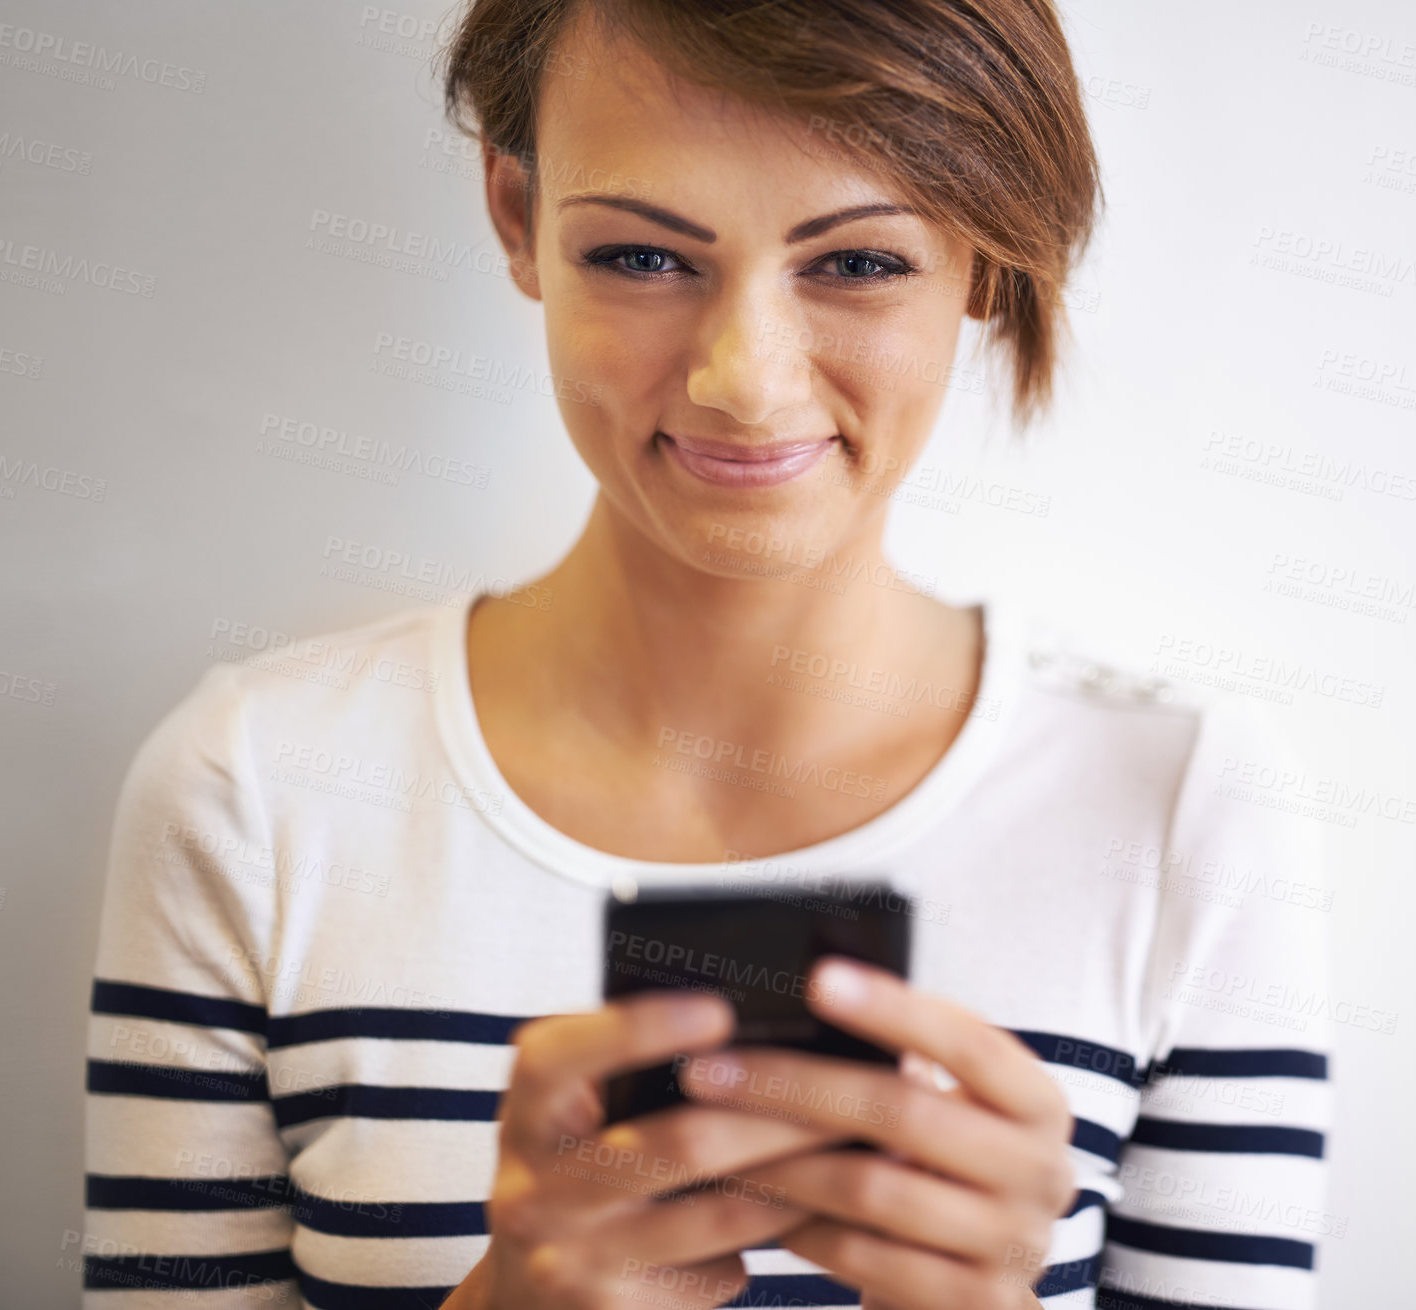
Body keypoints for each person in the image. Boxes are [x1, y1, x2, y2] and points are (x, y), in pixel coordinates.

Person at [81, 2, 1333, 1308]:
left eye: (855, 263)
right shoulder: (258, 795)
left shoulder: (1186, 808)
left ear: (983, 253)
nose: (745, 376)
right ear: (518, 215)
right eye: (638, 253)